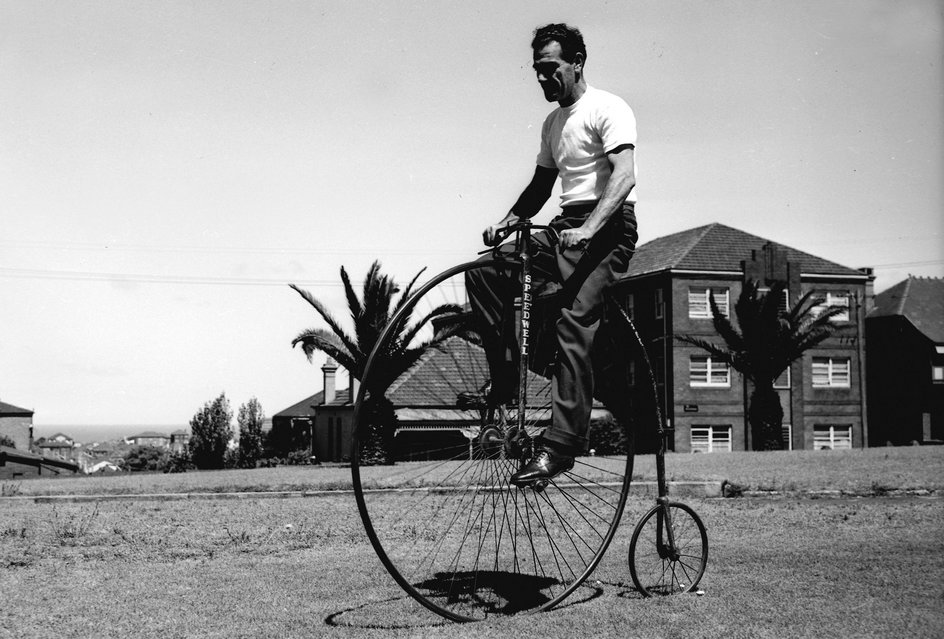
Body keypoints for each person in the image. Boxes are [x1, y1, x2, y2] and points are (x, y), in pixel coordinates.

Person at [466, 23, 639, 486]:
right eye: (537, 71)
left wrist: (588, 229)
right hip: (564, 230)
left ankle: (561, 447)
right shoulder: (553, 123)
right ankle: (504, 390)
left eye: (550, 69)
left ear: (576, 63)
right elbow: (542, 186)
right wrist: (508, 220)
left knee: (573, 322)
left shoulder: (608, 107)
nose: (542, 79)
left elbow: (624, 177)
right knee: (485, 272)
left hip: (607, 230)